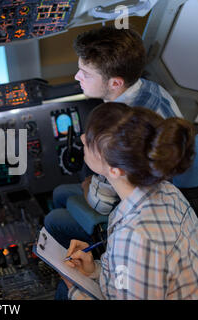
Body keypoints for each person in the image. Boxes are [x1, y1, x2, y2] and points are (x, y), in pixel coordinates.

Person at [45, 26, 184, 250]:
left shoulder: (118, 129)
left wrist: (88, 185)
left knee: (55, 219)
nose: (76, 76)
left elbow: (101, 205)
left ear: (115, 83)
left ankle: (94, 260)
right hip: (170, 189)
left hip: (141, 207)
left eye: (86, 73)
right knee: (62, 194)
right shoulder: (153, 89)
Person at [62, 102, 198, 300]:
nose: (83, 138)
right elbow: (135, 279)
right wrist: (94, 271)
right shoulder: (167, 191)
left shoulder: (134, 237)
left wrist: (72, 287)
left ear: (115, 170)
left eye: (90, 141)